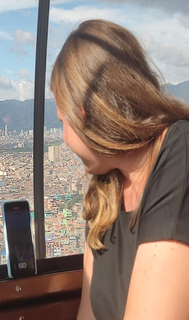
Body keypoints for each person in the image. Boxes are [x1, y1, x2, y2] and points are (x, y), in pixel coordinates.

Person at [51, 19, 189, 319]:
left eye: (63, 121)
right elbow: (89, 312)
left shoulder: (181, 153)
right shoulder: (105, 191)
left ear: (83, 113)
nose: (63, 137)